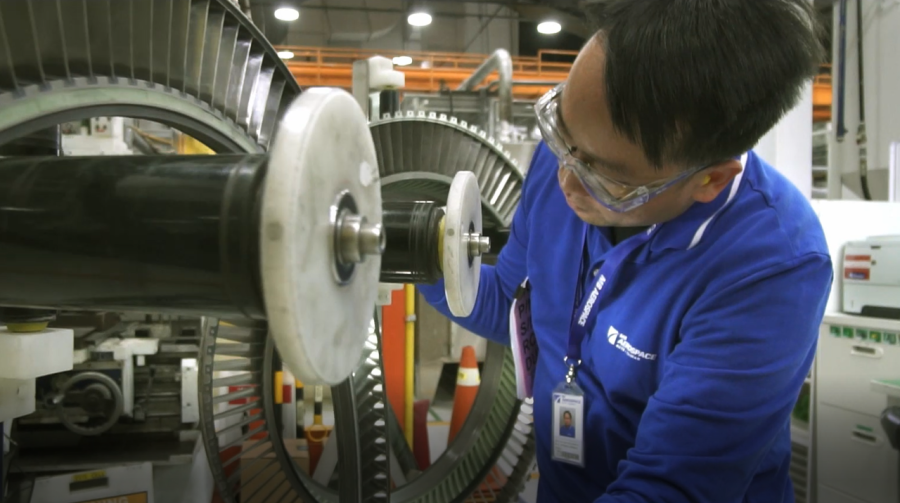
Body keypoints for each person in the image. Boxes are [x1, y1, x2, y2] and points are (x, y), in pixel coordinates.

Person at [418, 1, 833, 501]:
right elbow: (510, 303)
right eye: (561, 133)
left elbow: (668, 488)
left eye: (605, 177)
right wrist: (423, 250)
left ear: (709, 179)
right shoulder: (567, 160)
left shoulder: (773, 267)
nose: (565, 179)